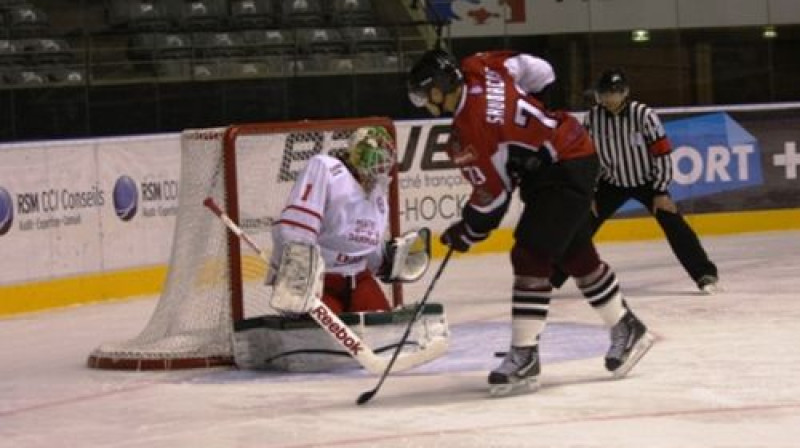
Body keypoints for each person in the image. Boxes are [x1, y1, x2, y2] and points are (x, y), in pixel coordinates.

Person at [407, 49, 654, 395]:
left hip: (565, 166)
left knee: (530, 254)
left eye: (425, 93)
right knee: (574, 253)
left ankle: (525, 356)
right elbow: (540, 68)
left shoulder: (470, 132)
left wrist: (467, 230)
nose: (424, 102)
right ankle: (628, 328)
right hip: (569, 152)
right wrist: (541, 110)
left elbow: (493, 198)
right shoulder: (480, 66)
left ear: (441, 87)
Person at [552, 69, 719, 293]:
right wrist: (590, 193)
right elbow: (587, 157)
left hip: (648, 182)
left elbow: (662, 153)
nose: (609, 99)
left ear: (625, 93)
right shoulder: (593, 118)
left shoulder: (643, 115)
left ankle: (704, 274)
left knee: (675, 225)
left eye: (614, 93)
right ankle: (551, 278)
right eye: (604, 94)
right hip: (610, 183)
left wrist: (660, 191)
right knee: (580, 228)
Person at [267, 126, 397, 315]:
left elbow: (370, 244)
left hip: (359, 279)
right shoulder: (326, 169)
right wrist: (295, 275)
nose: (381, 165)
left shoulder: (378, 193)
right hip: (320, 280)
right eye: (376, 157)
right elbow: (297, 226)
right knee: (320, 338)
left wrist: (386, 263)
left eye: (385, 159)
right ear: (358, 153)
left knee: (385, 330)